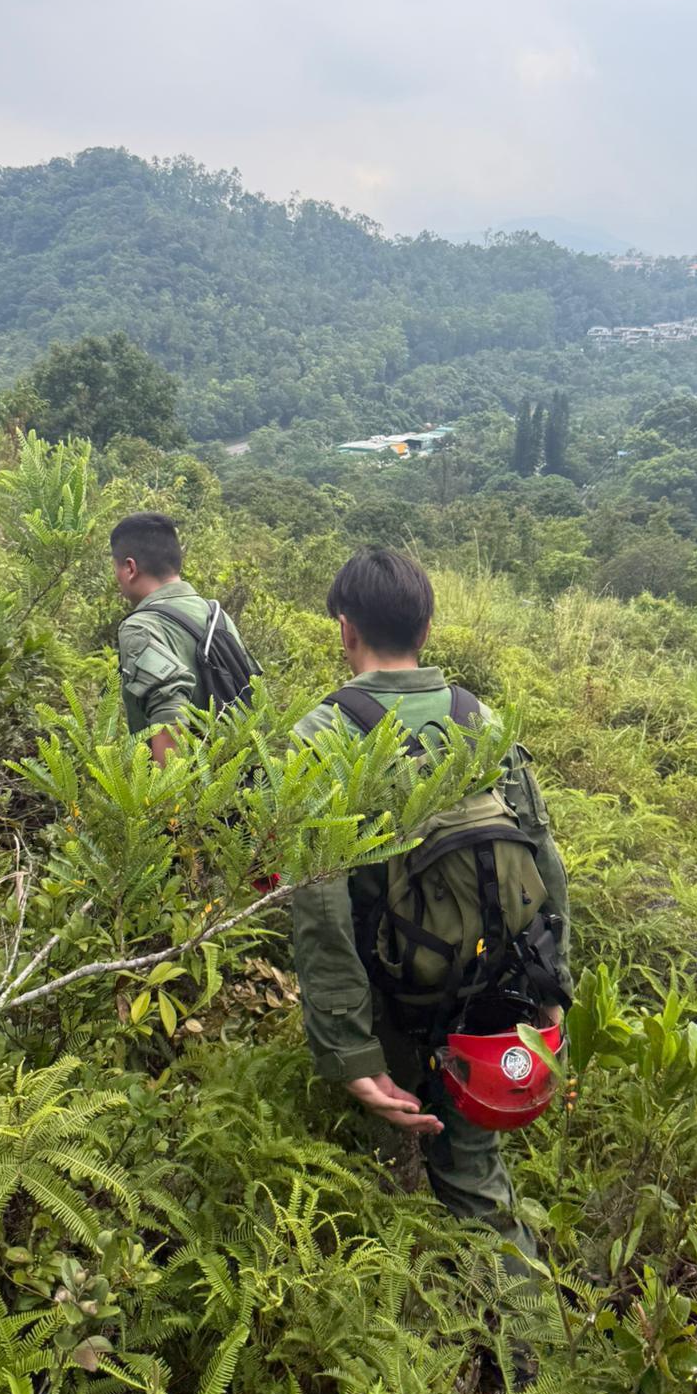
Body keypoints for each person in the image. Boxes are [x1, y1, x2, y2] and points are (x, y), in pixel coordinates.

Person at [292, 546, 573, 1270]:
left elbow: (319, 909)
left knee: (360, 1168)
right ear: (427, 626)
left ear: (345, 629)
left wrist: (349, 1051)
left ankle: (383, 1293)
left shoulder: (323, 733)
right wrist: (552, 987)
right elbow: (544, 858)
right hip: (491, 996)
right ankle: (526, 1349)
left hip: (387, 1003)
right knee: (477, 1180)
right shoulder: (481, 717)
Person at [111, 511, 257, 764]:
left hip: (188, 795)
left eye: (116, 568)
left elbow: (168, 711)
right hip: (238, 786)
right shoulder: (218, 614)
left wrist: (166, 800)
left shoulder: (139, 626)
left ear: (130, 567)